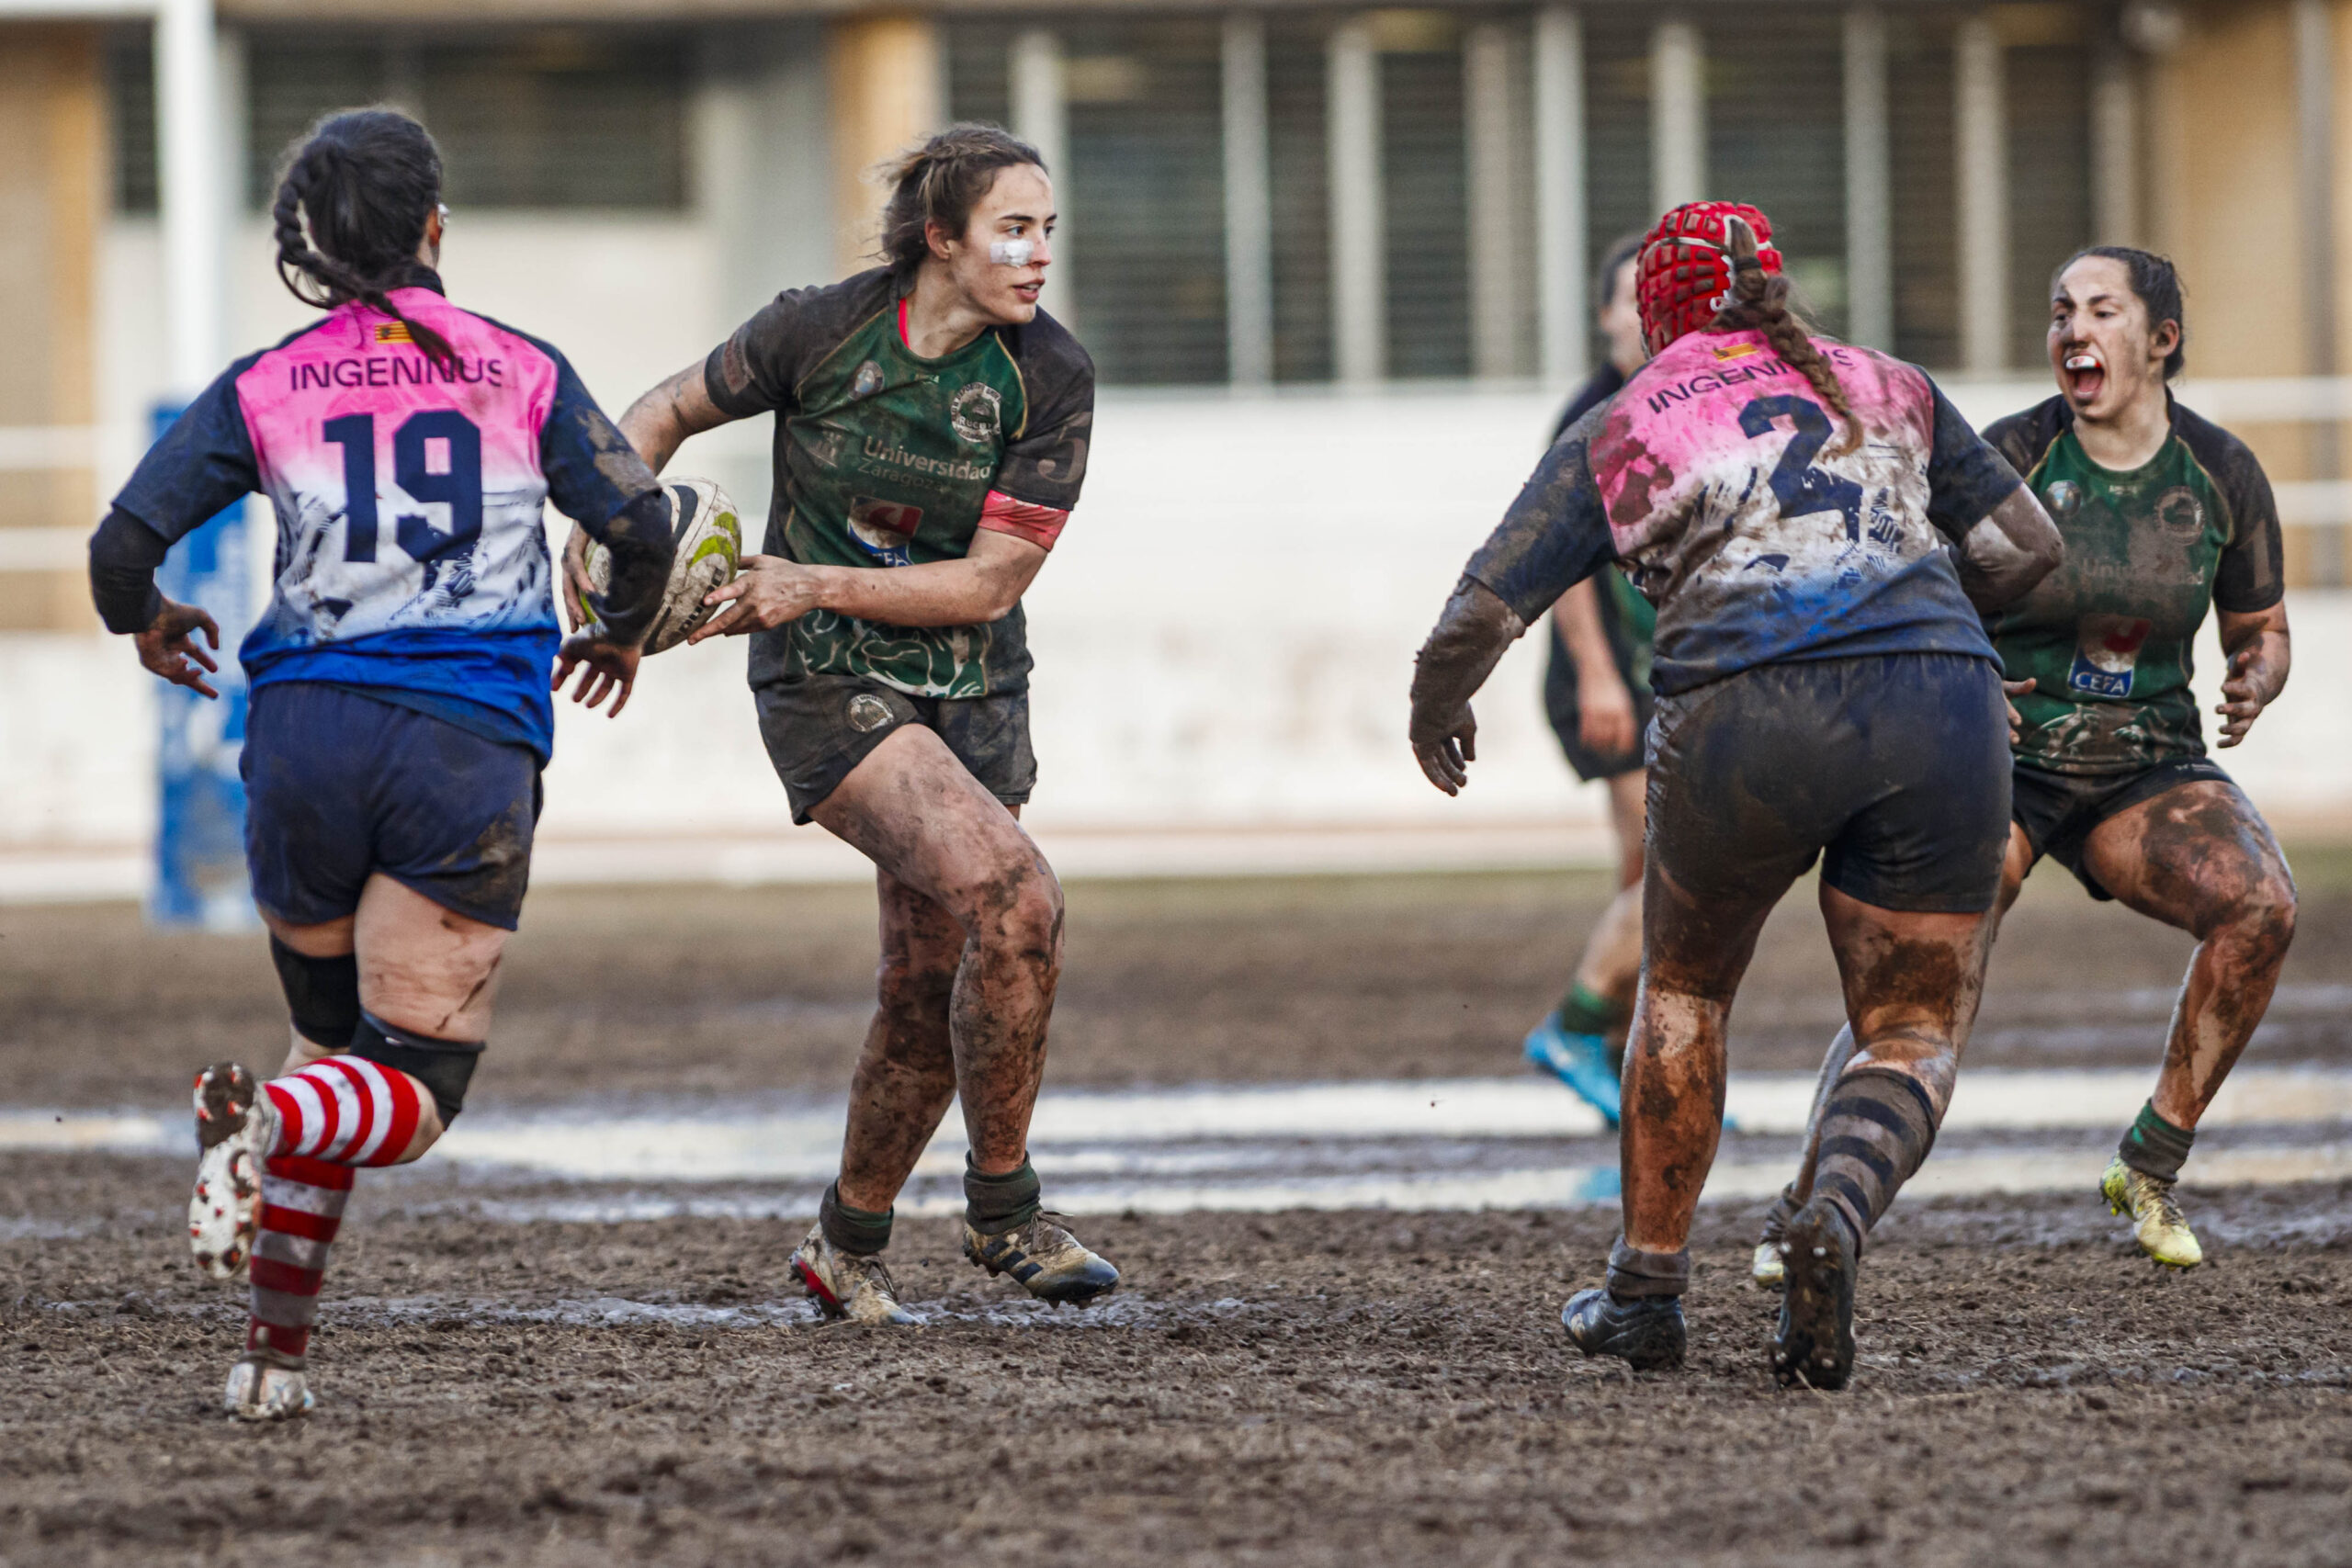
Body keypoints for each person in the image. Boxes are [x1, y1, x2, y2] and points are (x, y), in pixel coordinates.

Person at [1408, 201, 2062, 1389]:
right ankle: (1837, 1214)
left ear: (1659, 307)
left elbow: (1481, 611)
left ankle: (1646, 1291)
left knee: (1688, 987)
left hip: (1742, 710)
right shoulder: (1893, 383)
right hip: (1940, 700)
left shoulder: (1627, 419)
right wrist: (1935, 630)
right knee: (1910, 1027)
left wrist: (1433, 705)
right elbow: (2029, 548)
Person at [89, 109, 674, 1420]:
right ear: (433, 228)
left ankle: (269, 1363)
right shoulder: (519, 368)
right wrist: (623, 629)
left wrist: (150, 621)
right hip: (458, 742)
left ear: (312, 242)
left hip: (300, 743)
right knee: (408, 1091)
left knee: (326, 1044)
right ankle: (267, 1130)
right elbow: (640, 524)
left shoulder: (266, 379)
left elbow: (119, 549)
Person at [581, 123, 1115, 1326]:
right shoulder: (816, 329)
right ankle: (1005, 1208)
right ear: (942, 236)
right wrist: (620, 578)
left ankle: (847, 1239)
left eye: (1048, 232)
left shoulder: (1050, 375)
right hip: (825, 677)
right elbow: (659, 412)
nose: (1038, 257)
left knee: (929, 974)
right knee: (1020, 898)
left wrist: (806, 575)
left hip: (974, 682)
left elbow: (987, 587)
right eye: (1014, 230)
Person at [1752, 247, 2291, 1281]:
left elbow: (2260, 625)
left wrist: (2254, 675)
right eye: (2058, 312)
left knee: (2262, 906)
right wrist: (1962, 673)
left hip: (2146, 768)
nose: (2071, 330)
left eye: (2099, 311)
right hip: (1996, 760)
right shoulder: (2007, 457)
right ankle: (1808, 1207)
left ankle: (2149, 1163)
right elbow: (1908, 581)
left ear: (2160, 341)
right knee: (1921, 979)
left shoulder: (2221, 474)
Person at [1522, 232, 1655, 1122]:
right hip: (1612, 679)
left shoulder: (1682, 405)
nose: (1644, 314)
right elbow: (1560, 563)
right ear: (1604, 313)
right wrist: (1601, 675)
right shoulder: (1592, 414)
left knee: (1649, 869)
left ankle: (1628, 1062)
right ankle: (1578, 1027)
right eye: (1629, 298)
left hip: (1668, 675)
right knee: (1670, 866)